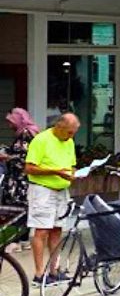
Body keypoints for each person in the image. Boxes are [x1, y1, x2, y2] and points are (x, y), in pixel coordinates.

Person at [24, 113, 80, 284]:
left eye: (73, 133)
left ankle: (54, 270)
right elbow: (29, 168)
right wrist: (55, 171)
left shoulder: (68, 141)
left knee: (57, 229)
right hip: (43, 189)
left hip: (61, 190)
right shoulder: (41, 140)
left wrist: (73, 174)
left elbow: (71, 165)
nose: (71, 136)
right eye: (69, 132)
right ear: (59, 127)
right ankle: (39, 274)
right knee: (41, 230)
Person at [0, 107, 39, 206]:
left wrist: (7, 157)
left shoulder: (26, 134)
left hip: (21, 181)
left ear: (18, 120)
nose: (9, 126)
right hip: (21, 179)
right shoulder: (26, 133)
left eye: (11, 122)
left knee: (18, 212)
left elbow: (25, 158)